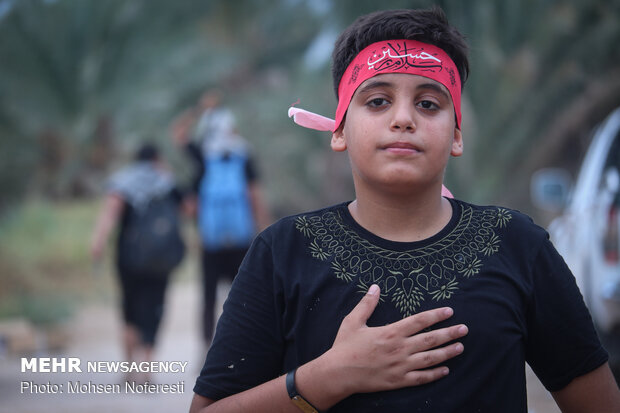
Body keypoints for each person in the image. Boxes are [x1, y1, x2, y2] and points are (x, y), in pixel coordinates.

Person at [189, 7, 620, 413]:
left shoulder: (517, 244)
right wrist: (327, 376)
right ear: (339, 130)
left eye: (428, 103)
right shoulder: (282, 252)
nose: (403, 118)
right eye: (377, 101)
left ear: (456, 135)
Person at [172, 90, 271, 347]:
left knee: (208, 295)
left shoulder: (204, 155)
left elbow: (178, 133)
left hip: (211, 239)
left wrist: (199, 110)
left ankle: (206, 347)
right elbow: (254, 195)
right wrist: (264, 228)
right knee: (244, 294)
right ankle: (245, 344)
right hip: (241, 236)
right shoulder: (243, 154)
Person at [91, 143, 185, 382]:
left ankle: (129, 368)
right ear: (157, 158)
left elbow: (110, 212)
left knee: (130, 306)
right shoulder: (167, 182)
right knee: (155, 307)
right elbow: (186, 210)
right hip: (161, 259)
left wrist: (98, 243)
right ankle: (148, 368)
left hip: (128, 258)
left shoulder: (123, 182)